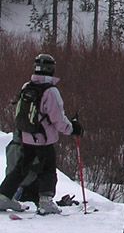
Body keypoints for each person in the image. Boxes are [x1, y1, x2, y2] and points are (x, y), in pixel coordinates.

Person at [0, 54, 83, 215]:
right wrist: (73, 128)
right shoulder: (51, 91)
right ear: (51, 69)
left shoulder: (26, 86)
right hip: (44, 139)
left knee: (21, 167)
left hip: (26, 136)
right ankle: (45, 201)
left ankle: (4, 195)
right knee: (48, 168)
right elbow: (58, 119)